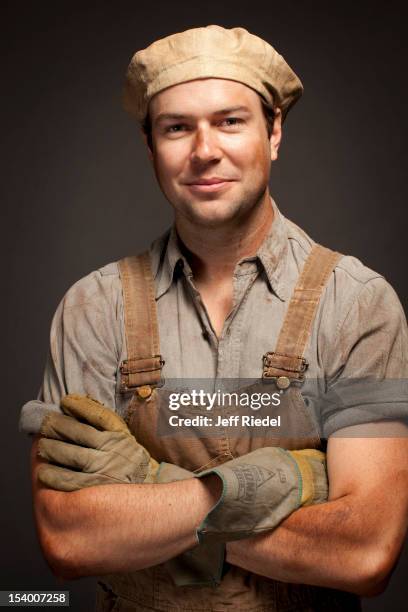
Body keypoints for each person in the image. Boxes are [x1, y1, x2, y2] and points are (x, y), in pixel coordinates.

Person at [20, 25, 408, 612]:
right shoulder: (93, 309)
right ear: (150, 146)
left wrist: (152, 489)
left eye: (230, 121)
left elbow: (364, 553)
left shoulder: (357, 304)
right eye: (177, 127)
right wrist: (289, 480)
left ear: (274, 132)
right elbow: (69, 539)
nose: (204, 150)